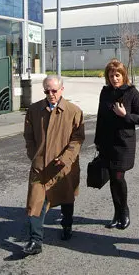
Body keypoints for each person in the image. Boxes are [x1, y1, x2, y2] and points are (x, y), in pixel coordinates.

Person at [23, 75, 85, 255]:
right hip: (40, 166)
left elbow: (78, 139)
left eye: (54, 91)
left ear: (62, 90)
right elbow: (29, 137)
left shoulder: (74, 111)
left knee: (66, 198)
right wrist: (34, 156)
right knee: (35, 203)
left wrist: (65, 158)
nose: (50, 94)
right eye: (46, 91)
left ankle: (67, 225)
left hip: (63, 167)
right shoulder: (34, 110)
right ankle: (35, 241)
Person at [94, 59, 139, 230]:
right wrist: (97, 141)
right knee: (112, 179)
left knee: (118, 177)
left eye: (117, 75)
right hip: (107, 142)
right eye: (111, 75)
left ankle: (124, 211)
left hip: (123, 143)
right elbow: (100, 117)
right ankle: (116, 213)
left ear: (123, 76)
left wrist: (125, 115)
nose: (114, 79)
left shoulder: (132, 92)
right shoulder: (105, 92)